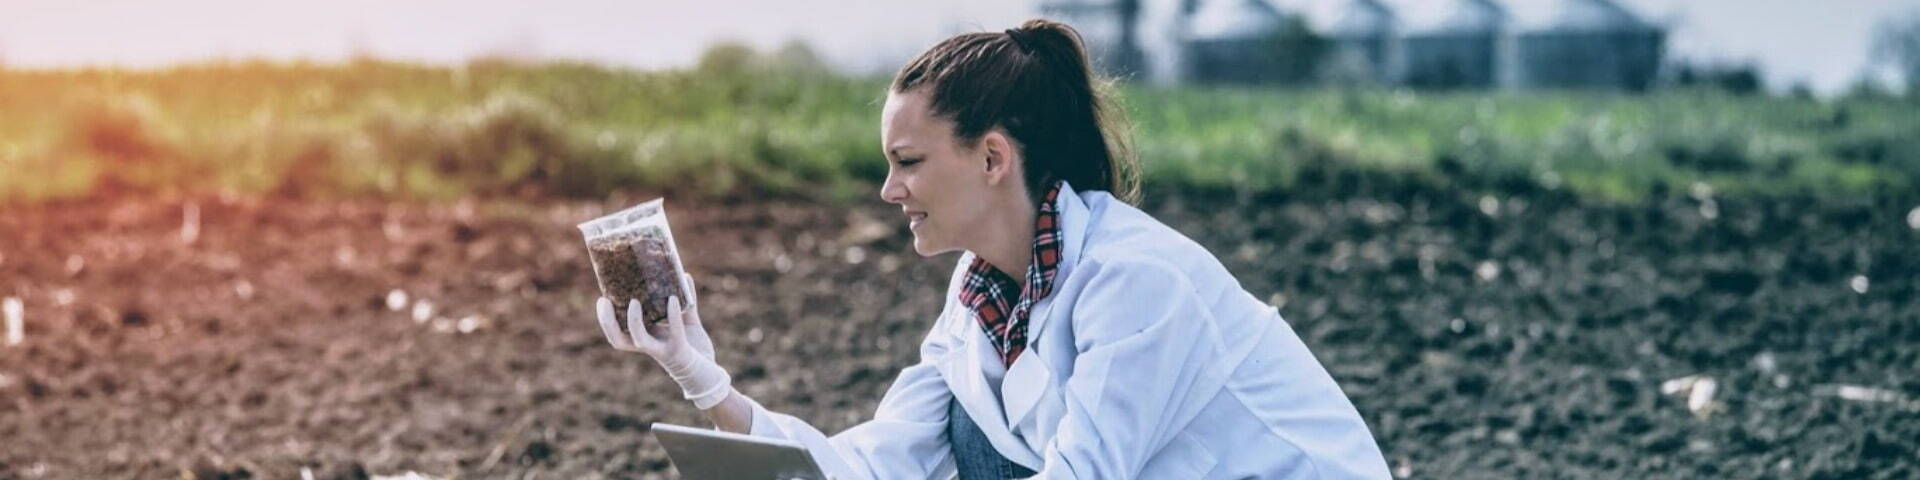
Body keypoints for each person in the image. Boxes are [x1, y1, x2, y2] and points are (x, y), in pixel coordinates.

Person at [591, 19, 1391, 480]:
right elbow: (873, 466)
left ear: (992, 158)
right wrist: (700, 376)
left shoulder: (1137, 282)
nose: (888, 190)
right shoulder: (983, 296)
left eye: (908, 163)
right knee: (968, 438)